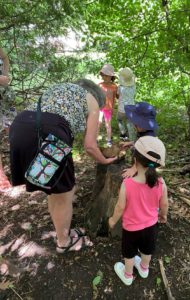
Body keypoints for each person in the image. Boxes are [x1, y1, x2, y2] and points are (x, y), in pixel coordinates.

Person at [9, 79, 117, 253]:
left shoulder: (60, 88)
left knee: (54, 188)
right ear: (98, 96)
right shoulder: (93, 101)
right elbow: (90, 146)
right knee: (65, 194)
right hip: (50, 132)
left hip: (21, 125)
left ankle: (60, 231)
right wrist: (104, 161)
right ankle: (64, 242)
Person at [109, 136, 168, 286]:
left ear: (135, 161)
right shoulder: (161, 183)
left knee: (129, 253)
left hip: (131, 229)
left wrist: (112, 220)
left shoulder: (127, 184)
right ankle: (143, 268)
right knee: (147, 250)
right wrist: (163, 215)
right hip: (151, 226)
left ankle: (128, 275)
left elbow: (120, 207)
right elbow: (164, 204)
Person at [121, 102, 159, 178]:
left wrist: (135, 168)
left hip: (144, 167)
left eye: (137, 123)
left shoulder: (149, 137)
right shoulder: (144, 132)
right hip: (139, 162)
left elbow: (146, 155)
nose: (135, 125)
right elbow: (140, 141)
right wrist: (131, 143)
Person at [0, 47, 14, 191]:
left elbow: (4, 57)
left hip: (4, 98)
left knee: (14, 131)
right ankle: (1, 179)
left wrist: (5, 74)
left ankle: (21, 167)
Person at [98, 64, 118, 147]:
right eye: (103, 75)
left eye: (107, 75)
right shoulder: (99, 85)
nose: (104, 77)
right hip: (100, 108)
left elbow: (117, 97)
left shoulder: (114, 86)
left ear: (111, 76)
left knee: (108, 125)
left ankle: (109, 140)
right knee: (98, 123)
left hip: (108, 109)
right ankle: (95, 139)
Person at [117, 67, 136, 141]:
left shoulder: (120, 87)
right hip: (131, 108)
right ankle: (132, 140)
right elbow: (133, 95)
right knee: (130, 123)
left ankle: (123, 134)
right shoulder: (134, 86)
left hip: (122, 109)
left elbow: (118, 96)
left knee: (119, 120)